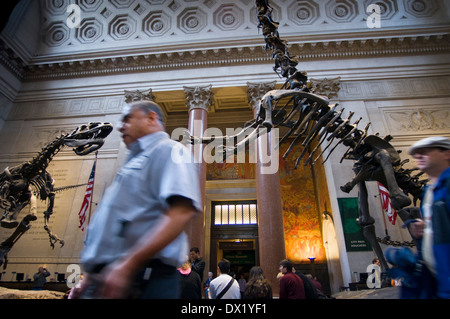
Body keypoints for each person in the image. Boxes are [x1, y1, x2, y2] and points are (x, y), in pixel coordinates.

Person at [76, 100, 202, 299]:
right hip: (109, 279)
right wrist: (90, 278)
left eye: (127, 118)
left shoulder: (170, 151)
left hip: (141, 281)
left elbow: (181, 211)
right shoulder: (133, 162)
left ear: (151, 118)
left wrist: (127, 266)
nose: (120, 126)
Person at [405, 136, 450, 298]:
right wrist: (423, 227)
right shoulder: (429, 191)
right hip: (436, 277)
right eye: (416, 154)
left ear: (446, 153)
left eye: (424, 153)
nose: (418, 157)